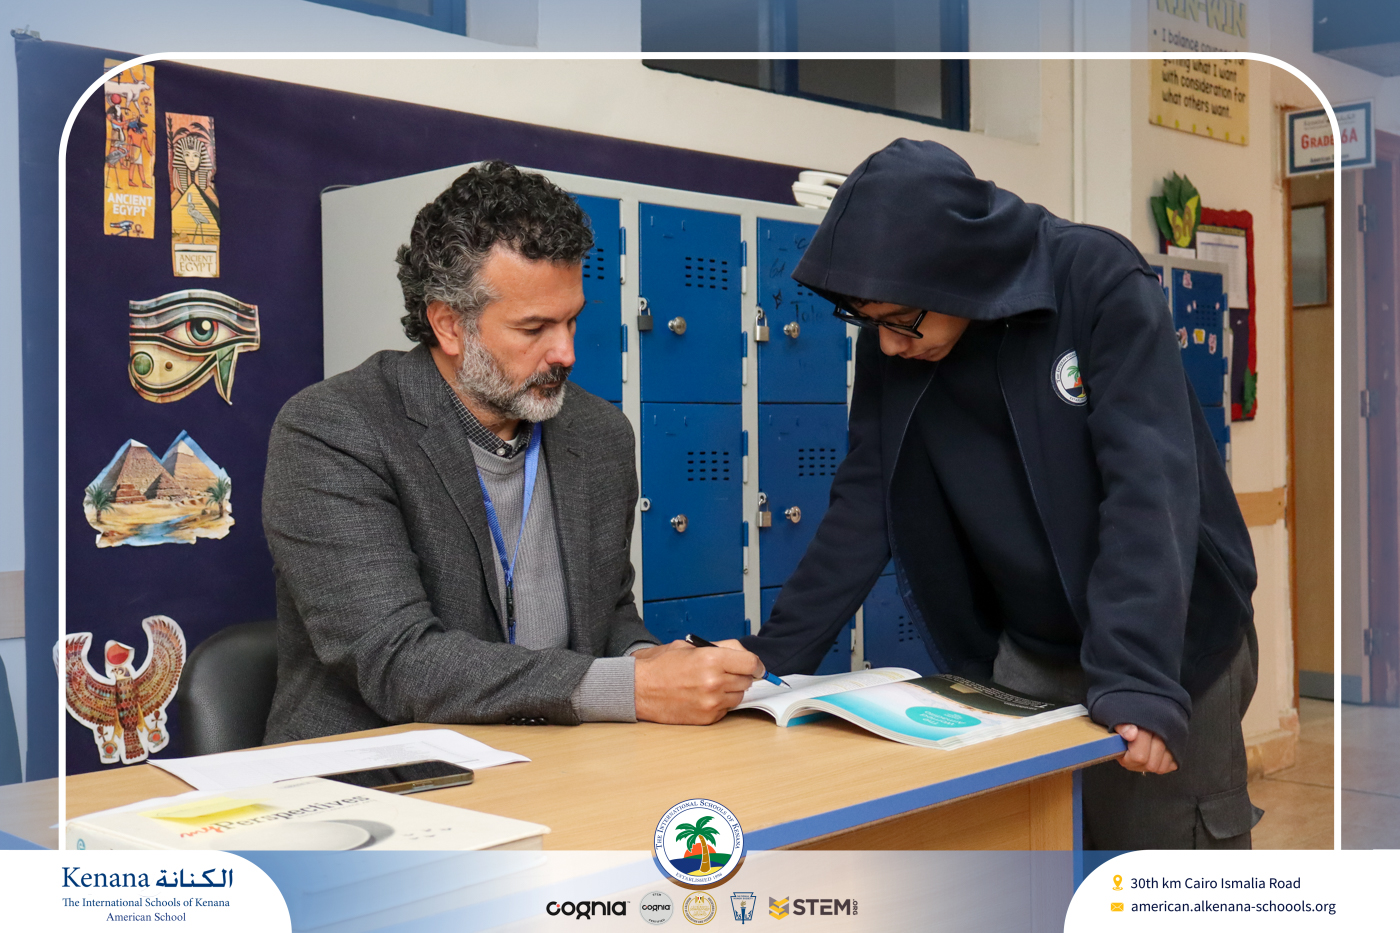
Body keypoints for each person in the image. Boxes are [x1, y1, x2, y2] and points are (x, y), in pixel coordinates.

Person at [731, 139, 1260, 849]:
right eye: (870, 323)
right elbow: (865, 500)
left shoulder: (1096, 280)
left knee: (1162, 865)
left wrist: (1139, 675)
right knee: (1030, 859)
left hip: (1169, 643)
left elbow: (1148, 487)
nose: (888, 346)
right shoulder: (903, 331)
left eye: (900, 321)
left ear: (958, 275)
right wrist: (771, 657)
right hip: (1029, 651)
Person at [262, 162, 763, 744]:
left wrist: (648, 660)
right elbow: (397, 660)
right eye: (534, 329)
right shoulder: (333, 429)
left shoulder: (599, 434)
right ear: (449, 325)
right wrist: (631, 687)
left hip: (553, 754)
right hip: (377, 765)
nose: (566, 353)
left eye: (572, 321)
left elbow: (607, 614)